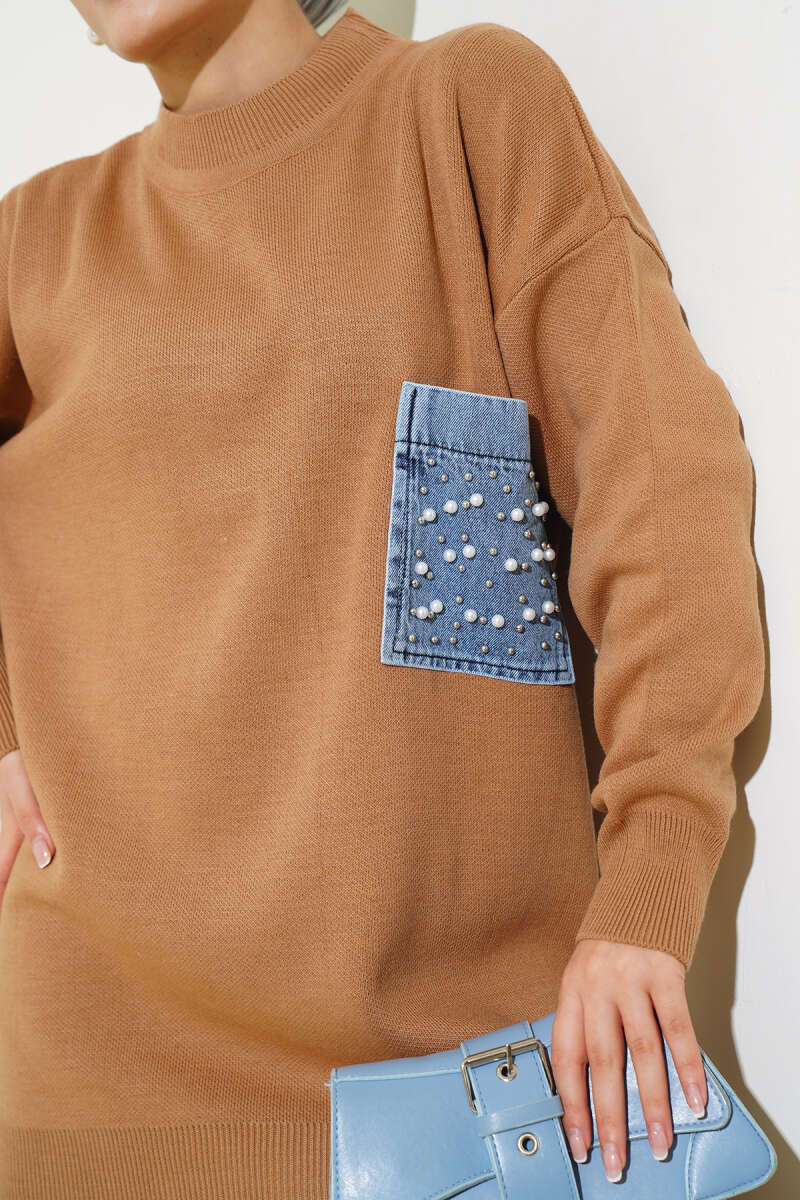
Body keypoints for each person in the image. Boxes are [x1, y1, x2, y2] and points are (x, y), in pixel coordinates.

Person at [0, 2, 763, 1197]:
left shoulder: (464, 109)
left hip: (448, 1114)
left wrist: (649, 877)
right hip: (74, 1107)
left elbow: (661, 489)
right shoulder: (32, 240)